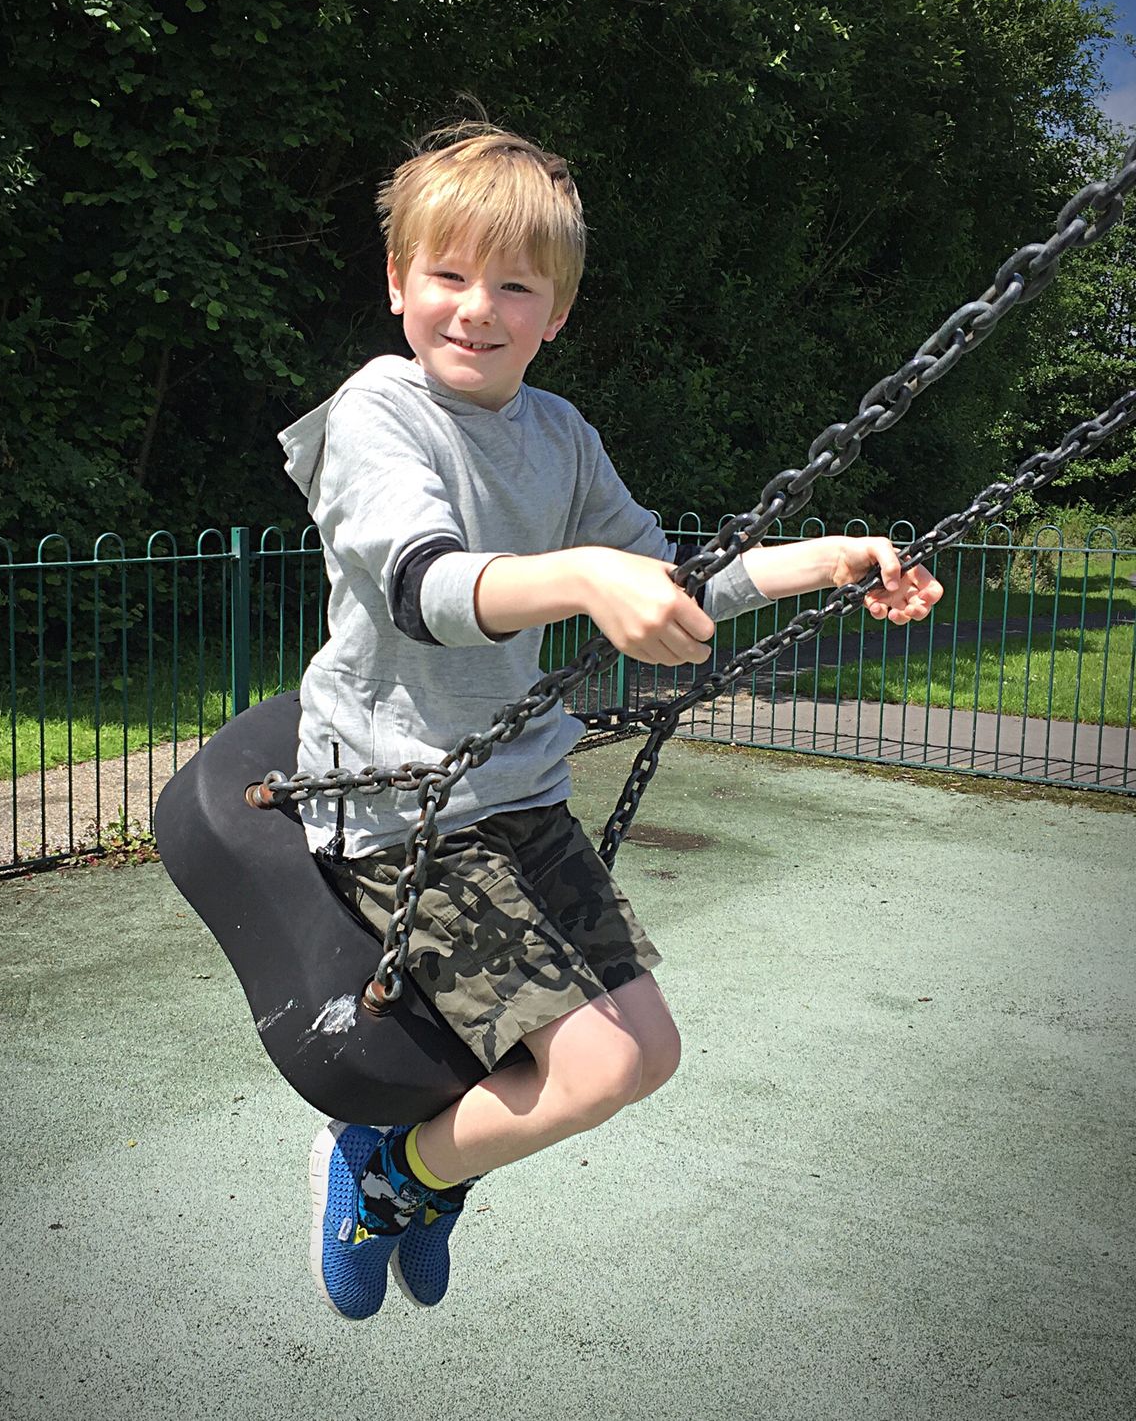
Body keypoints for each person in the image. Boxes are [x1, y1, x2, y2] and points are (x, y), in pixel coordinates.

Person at [278, 122, 943, 1320]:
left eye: (514, 286)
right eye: (446, 275)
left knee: (649, 1053)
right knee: (590, 1065)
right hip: (402, 804)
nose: (476, 309)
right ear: (396, 282)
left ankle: (426, 1172)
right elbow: (425, 587)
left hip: (519, 797)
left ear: (556, 313)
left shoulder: (557, 435)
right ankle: (386, 1176)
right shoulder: (379, 413)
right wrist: (582, 578)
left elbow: (670, 580)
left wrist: (825, 560)